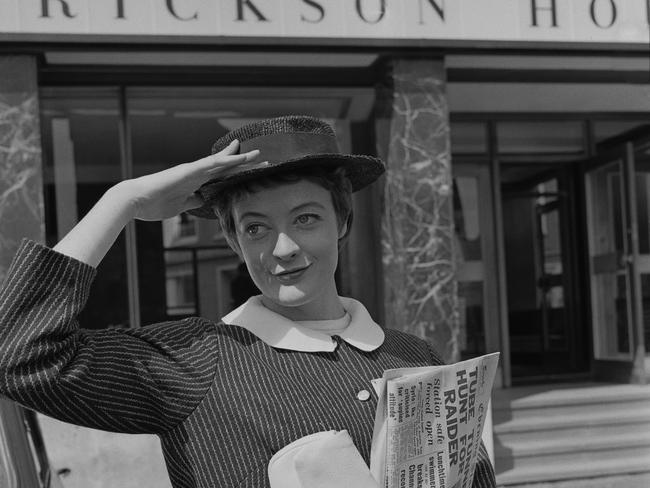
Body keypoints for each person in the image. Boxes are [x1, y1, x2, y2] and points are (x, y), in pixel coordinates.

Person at [0, 116, 496, 487]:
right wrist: (122, 201)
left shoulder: (415, 358)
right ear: (235, 243)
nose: (282, 248)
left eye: (306, 218)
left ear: (342, 222)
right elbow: (20, 356)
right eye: (256, 227)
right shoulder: (198, 359)